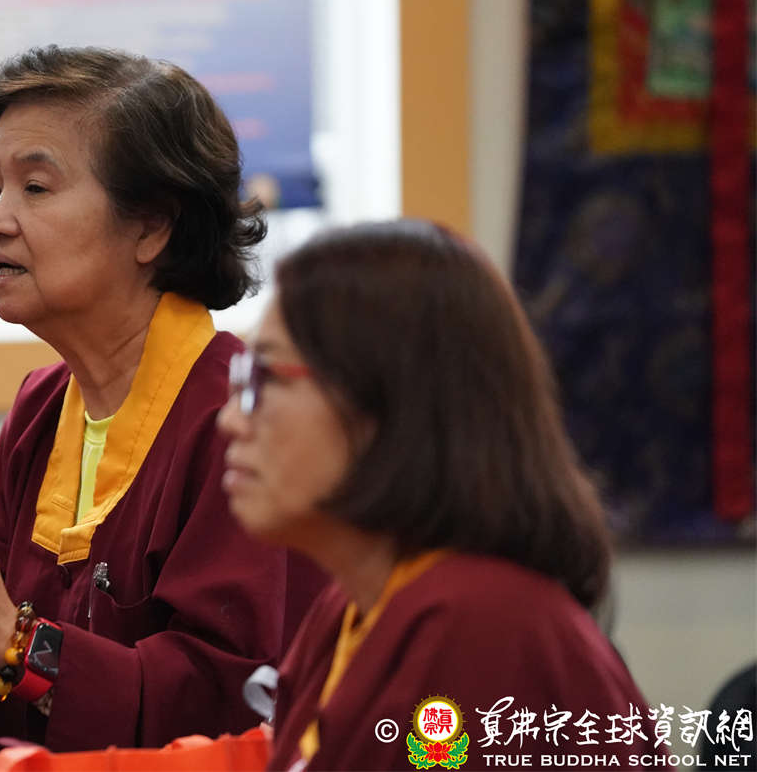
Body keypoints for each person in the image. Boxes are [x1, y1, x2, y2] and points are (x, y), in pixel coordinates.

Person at [0, 45, 322, 764]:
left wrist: (21, 641)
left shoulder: (244, 421)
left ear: (152, 227)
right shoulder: (41, 407)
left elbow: (231, 712)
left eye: (36, 187)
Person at [217, 220, 660, 771]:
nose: (229, 419)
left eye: (267, 378)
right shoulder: (349, 609)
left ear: (391, 403)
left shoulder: (483, 632)